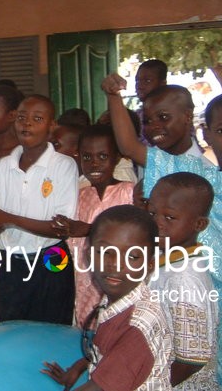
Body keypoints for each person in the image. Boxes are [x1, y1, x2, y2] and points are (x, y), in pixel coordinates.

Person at [102, 77, 222, 390]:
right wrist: (114, 96)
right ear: (206, 133)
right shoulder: (194, 175)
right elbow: (129, 146)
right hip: (205, 297)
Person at [43, 205, 173, 391]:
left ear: (150, 264)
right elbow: (108, 347)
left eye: (132, 256)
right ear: (89, 255)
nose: (115, 264)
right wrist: (79, 367)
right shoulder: (118, 298)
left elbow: (97, 388)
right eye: (105, 252)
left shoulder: (138, 325)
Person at [0, 95, 78, 324]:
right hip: (14, 259)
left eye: (37, 119)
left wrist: (7, 218)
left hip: (52, 255)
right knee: (14, 326)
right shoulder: (5, 165)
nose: (27, 123)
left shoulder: (63, 165)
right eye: (22, 117)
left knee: (52, 327)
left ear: (52, 126)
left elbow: (60, 228)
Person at [52, 125, 134, 328]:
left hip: (118, 283)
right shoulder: (79, 196)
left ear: (117, 157)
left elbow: (133, 237)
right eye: (87, 157)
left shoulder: (128, 192)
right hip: (83, 285)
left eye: (103, 156)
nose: (94, 163)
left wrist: (89, 229)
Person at [147, 172, 219, 390]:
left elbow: (191, 361)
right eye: (152, 213)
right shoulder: (166, 260)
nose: (156, 223)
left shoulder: (184, 280)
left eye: (169, 217)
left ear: (199, 224)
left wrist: (153, 386)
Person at [141, 85, 211, 163]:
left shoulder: (203, 169)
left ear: (188, 116)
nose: (153, 127)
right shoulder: (148, 162)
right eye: (147, 121)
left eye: (163, 117)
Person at [135, 59, 168, 145]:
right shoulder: (136, 116)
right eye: (137, 80)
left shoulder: (172, 114)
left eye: (147, 81)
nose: (140, 86)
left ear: (162, 84)